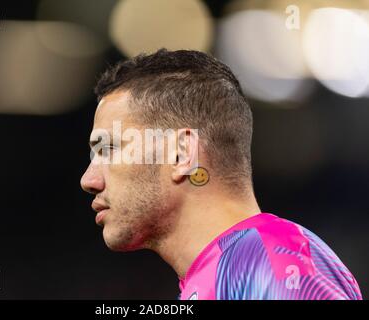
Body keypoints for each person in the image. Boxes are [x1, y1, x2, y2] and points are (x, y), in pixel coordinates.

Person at [80, 49, 362, 300]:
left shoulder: (273, 264)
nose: (88, 180)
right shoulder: (227, 272)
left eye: (110, 149)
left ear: (181, 154)